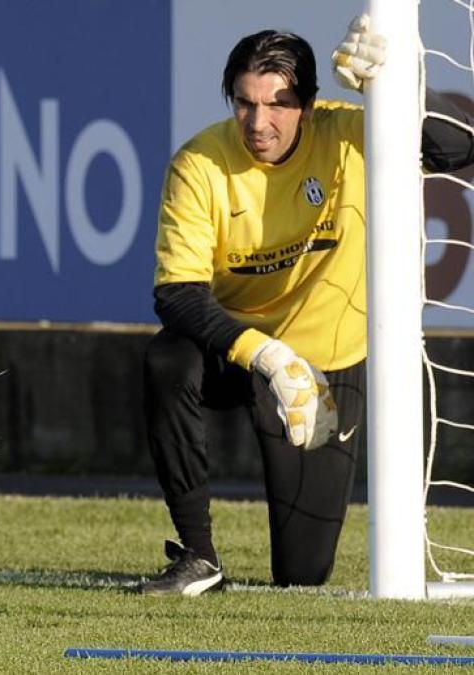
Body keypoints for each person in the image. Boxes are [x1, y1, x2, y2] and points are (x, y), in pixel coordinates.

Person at [140, 16, 474, 595]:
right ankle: (198, 557)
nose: (259, 122)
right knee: (168, 360)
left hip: (328, 365)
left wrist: (393, 92)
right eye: (244, 103)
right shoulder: (200, 164)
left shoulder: (351, 134)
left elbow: (459, 146)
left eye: (279, 104)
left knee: (301, 574)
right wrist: (267, 357)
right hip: (246, 354)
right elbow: (177, 294)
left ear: (311, 103)